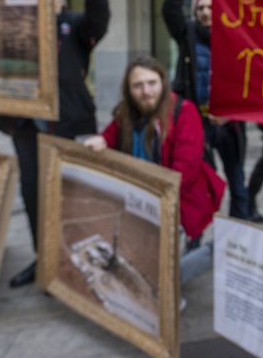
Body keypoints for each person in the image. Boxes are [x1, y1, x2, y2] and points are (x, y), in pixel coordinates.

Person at [2, 0, 114, 288]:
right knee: (33, 193)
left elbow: (98, 24)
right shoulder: (15, 28)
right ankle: (44, 261)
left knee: (62, 193)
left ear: (60, 1)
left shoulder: (75, 25)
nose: (41, 1)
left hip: (61, 124)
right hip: (22, 123)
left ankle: (68, 262)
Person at [83, 55, 225, 282]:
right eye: (137, 86)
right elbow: (112, 134)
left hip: (178, 202)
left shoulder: (184, 111)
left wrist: (153, 203)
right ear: (129, 90)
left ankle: (203, 260)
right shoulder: (127, 112)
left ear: (163, 83)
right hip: (139, 199)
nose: (146, 91)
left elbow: (184, 171)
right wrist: (101, 141)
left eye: (152, 83)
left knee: (169, 269)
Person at [162, 0, 250, 219]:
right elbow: (169, 8)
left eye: (211, 7)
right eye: (200, 8)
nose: (205, 12)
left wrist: (229, 114)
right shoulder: (186, 33)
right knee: (198, 182)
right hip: (195, 122)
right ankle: (196, 236)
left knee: (237, 183)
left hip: (228, 125)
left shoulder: (238, 36)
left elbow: (249, 81)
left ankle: (240, 235)